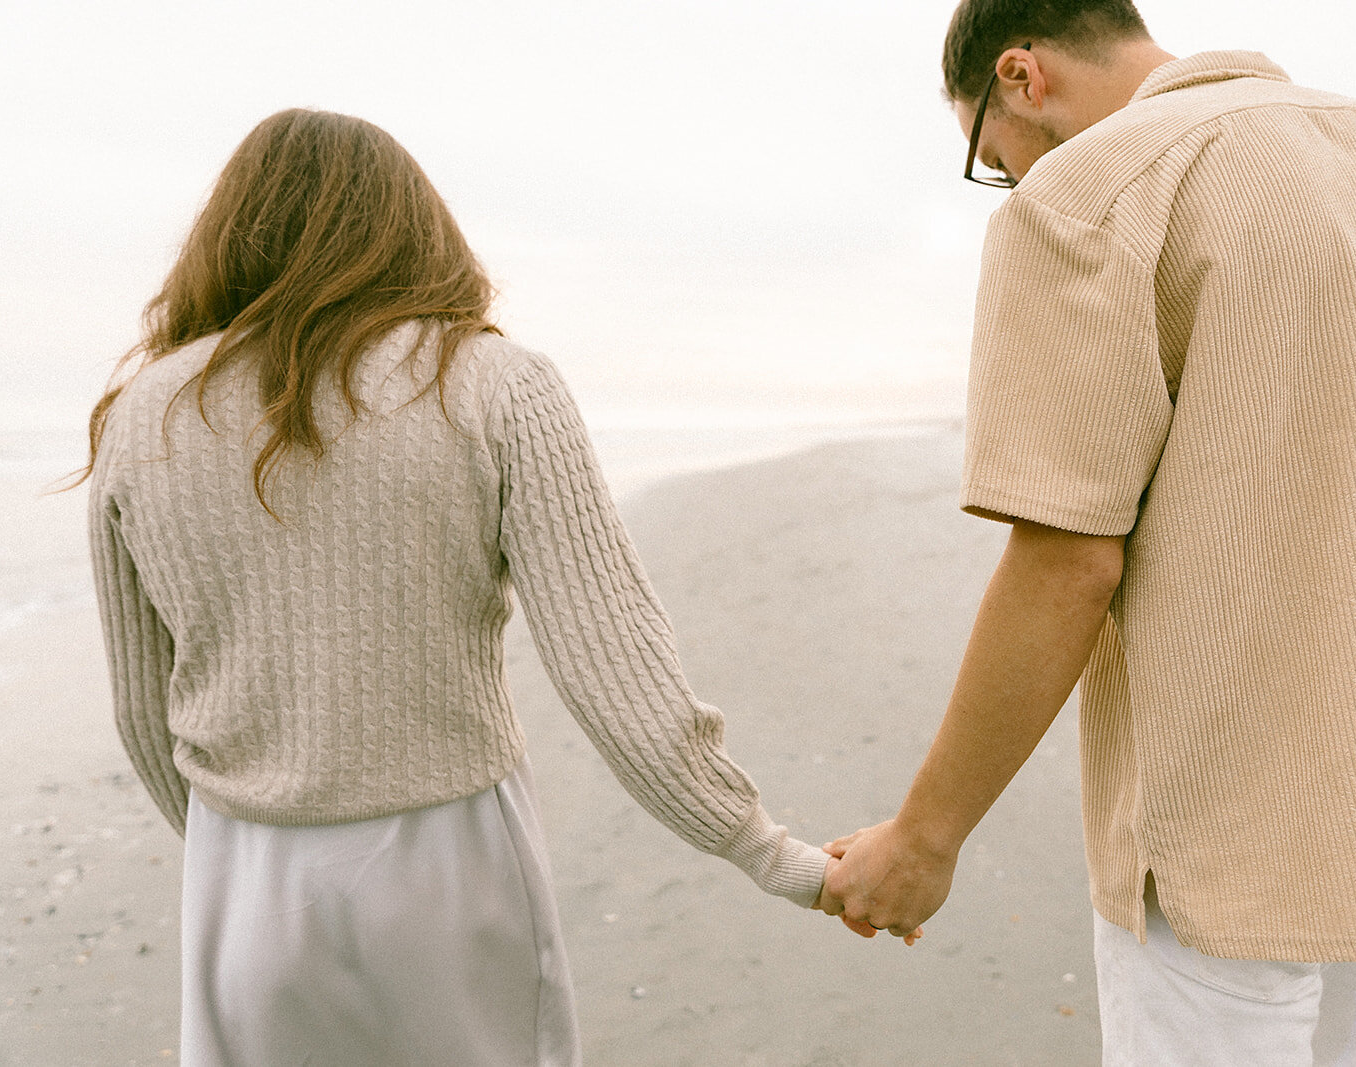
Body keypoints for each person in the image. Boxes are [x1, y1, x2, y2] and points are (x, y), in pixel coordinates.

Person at [818, 1, 1356, 1062]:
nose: (1013, 181)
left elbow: (1067, 561)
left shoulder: (1091, 192)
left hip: (1224, 812)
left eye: (994, 155)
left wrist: (922, 838)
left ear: (1021, 77)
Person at [75, 108, 849, 1067]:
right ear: (414, 227)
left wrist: (230, 854)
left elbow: (144, 713)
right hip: (449, 861)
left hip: (241, 869)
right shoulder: (488, 381)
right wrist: (772, 854)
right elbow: (616, 674)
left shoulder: (142, 414)